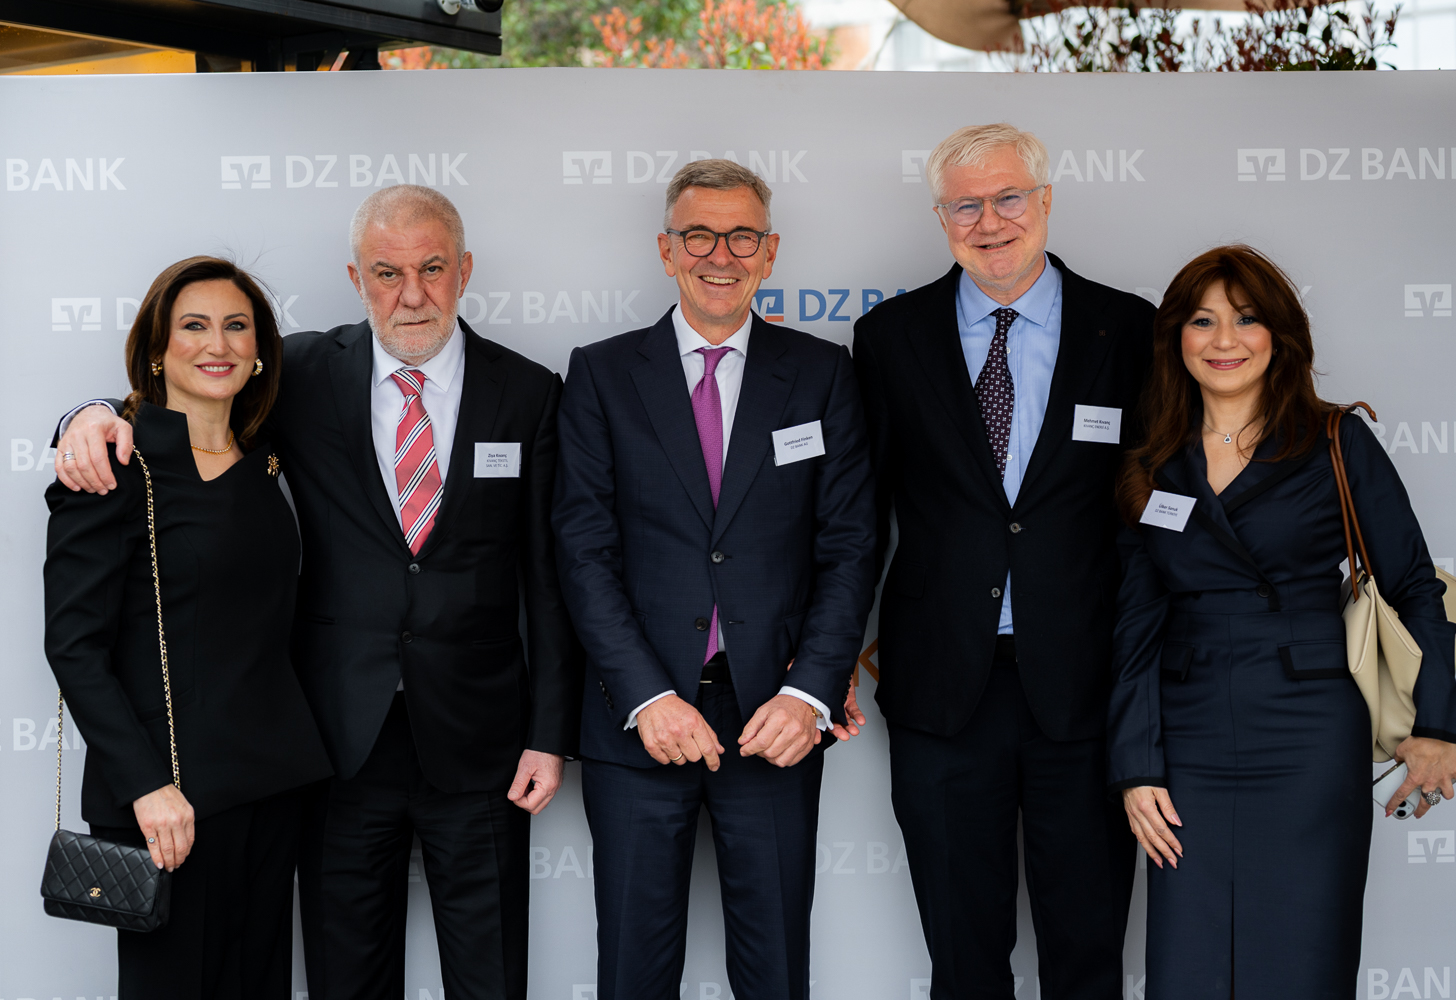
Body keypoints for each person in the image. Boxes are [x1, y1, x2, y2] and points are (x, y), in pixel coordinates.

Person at [52, 185, 583, 1000]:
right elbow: (187, 396)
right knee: (344, 978)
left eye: (433, 268)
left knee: (491, 977)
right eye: (387, 273)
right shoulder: (298, 373)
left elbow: (547, 580)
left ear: (465, 269)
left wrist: (549, 733)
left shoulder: (529, 390)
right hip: (333, 744)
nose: (412, 294)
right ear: (356, 278)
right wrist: (85, 416)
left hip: (482, 741)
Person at [1109, 244, 1456, 999]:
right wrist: (1136, 767)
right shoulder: (1154, 457)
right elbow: (1136, 620)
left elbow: (1413, 585)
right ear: (1175, 338)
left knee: (1303, 954)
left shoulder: (1335, 439)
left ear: (1280, 335)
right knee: (1188, 963)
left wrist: (1436, 725)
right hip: (1189, 733)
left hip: (1309, 731)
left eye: (1246, 319)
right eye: (1202, 321)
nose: (1224, 340)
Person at [551, 159, 878, 1000]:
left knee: (776, 973)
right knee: (633, 973)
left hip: (773, 718)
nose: (720, 255)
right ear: (667, 250)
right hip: (639, 721)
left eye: (742, 237)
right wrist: (646, 696)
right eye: (699, 235)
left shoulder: (822, 372)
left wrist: (809, 693)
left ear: (771, 252)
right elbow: (583, 551)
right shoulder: (601, 372)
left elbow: (850, 545)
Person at [850, 123, 1151, 999]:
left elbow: (1152, 517)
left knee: (1087, 954)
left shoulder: (1130, 329)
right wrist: (826, 663)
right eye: (965, 205)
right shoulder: (889, 336)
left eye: (1008, 197)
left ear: (1046, 200)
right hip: (943, 689)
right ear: (940, 218)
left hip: (1087, 688)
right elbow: (859, 520)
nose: (989, 221)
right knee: (963, 958)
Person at [44, 256, 333, 999]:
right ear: (156, 349)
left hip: (271, 785)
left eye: (237, 326)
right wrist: (146, 788)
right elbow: (74, 647)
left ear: (260, 349)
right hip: (168, 802)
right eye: (194, 326)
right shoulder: (114, 465)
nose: (218, 344)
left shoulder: (269, 455)